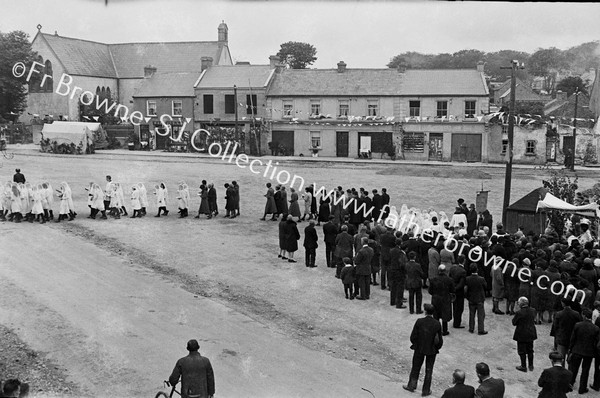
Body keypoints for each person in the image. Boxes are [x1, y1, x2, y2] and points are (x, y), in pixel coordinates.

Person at [403, 303, 443, 396]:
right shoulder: (437, 324)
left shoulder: (419, 321)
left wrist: (416, 344)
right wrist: (436, 348)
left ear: (425, 311)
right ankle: (426, 390)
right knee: (429, 370)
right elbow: (439, 340)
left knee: (415, 368)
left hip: (419, 348)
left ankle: (411, 385)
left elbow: (413, 336)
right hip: (431, 350)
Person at [568, 308, 600, 394]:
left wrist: (571, 349)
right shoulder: (596, 328)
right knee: (585, 370)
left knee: (573, 369)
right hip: (589, 352)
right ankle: (582, 388)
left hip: (577, 350)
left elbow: (572, 339)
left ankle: (570, 384)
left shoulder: (577, 325)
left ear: (584, 316)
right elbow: (596, 342)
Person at [512, 296, 537, 372]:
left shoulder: (519, 313)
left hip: (521, 333)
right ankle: (531, 365)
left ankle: (523, 366)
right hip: (530, 332)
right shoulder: (533, 310)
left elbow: (514, 322)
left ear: (521, 304)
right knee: (530, 350)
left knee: (522, 351)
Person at [429, 264, 455, 336]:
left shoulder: (433, 279)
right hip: (445, 299)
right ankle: (445, 330)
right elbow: (452, 290)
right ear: (445, 271)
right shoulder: (449, 280)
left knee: (436, 315)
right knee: (444, 315)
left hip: (436, 299)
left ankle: (437, 331)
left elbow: (430, 291)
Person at [465, 263, 487, 335]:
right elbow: (485, 287)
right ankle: (481, 329)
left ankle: (471, 328)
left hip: (471, 298)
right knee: (481, 315)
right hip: (480, 298)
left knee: (471, 314)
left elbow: (466, 289)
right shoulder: (481, 279)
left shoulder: (467, 279)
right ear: (477, 269)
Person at [449, 255, 467, 329]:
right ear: (464, 261)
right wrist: (456, 289)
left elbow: (449, 277)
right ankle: (457, 323)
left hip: (453, 290)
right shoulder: (463, 271)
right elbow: (461, 284)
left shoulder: (453, 268)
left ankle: (455, 321)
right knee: (459, 308)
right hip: (459, 292)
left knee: (454, 306)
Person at [389, 238, 408, 309]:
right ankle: (399, 303)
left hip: (392, 269)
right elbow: (402, 263)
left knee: (393, 286)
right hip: (399, 271)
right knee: (400, 287)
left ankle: (392, 301)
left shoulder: (391, 250)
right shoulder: (400, 252)